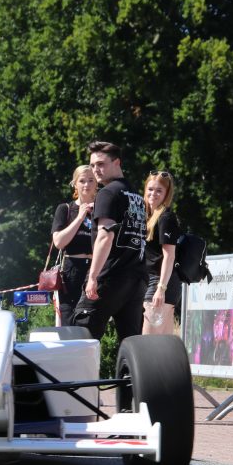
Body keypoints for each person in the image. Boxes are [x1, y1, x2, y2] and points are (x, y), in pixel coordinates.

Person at [71, 141, 147, 341]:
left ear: (117, 163)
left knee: (82, 335)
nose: (96, 169)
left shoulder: (107, 193)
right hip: (136, 280)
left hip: (110, 277)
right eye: (93, 165)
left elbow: (105, 235)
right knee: (131, 343)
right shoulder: (136, 196)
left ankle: (81, 374)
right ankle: (130, 374)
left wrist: (93, 276)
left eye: (101, 164)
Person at [50, 165, 97, 325]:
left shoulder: (103, 210)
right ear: (75, 184)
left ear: (97, 183)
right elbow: (58, 242)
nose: (87, 185)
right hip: (72, 270)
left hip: (95, 269)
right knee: (68, 318)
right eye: (82, 181)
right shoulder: (65, 209)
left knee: (92, 318)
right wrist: (80, 217)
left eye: (91, 180)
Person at [141, 170, 180, 335]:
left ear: (166, 194)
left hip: (161, 283)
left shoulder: (165, 217)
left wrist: (160, 289)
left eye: (159, 191)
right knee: (162, 344)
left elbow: (169, 255)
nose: (153, 194)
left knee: (148, 343)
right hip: (155, 282)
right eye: (150, 189)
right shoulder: (148, 216)